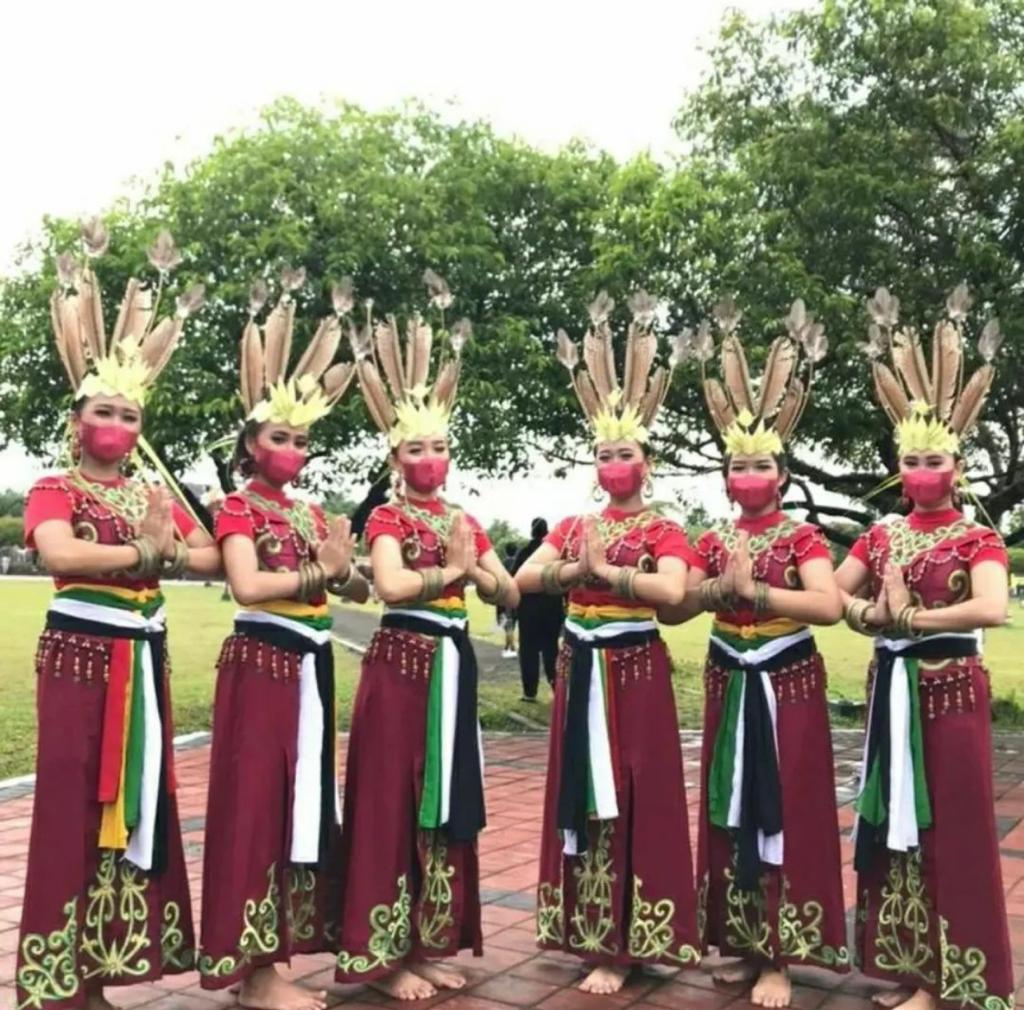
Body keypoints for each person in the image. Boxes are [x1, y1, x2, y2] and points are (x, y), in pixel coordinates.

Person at [15, 227, 219, 1010]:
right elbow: (59, 554)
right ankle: (58, 981)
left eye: (131, 415)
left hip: (144, 655)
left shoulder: (150, 494)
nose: (119, 426)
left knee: (134, 802)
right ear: (77, 419)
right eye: (105, 411)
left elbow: (205, 558)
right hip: (80, 656)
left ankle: (100, 975)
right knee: (74, 804)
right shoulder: (52, 486)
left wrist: (156, 551)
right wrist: (146, 553)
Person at [334, 280, 520, 1000]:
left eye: (441, 446)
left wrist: (482, 574)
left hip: (451, 665)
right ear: (395, 454)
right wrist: (451, 568)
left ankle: (428, 939)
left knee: (444, 802)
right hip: (404, 663)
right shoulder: (387, 518)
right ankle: (385, 956)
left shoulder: (463, 517)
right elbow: (390, 586)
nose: (432, 458)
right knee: (393, 798)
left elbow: (506, 588)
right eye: (419, 447)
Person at [661, 298, 846, 1008]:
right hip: (726, 680)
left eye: (761, 464)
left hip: (785, 684)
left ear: (784, 473)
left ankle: (783, 956)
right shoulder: (712, 537)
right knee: (728, 809)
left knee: (785, 808)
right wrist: (715, 590)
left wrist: (758, 596)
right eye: (738, 465)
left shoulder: (800, 538)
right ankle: (742, 941)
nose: (749, 476)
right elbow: (674, 605)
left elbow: (827, 606)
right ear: (724, 477)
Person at [516, 291, 699, 995]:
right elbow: (526, 577)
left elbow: (673, 593)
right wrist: (574, 569)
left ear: (645, 460)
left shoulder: (663, 528)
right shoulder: (571, 522)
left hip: (635, 671)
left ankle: (634, 936)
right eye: (602, 454)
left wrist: (608, 575)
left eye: (623, 453)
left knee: (636, 789)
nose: (613, 464)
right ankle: (594, 935)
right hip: (580, 667)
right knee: (583, 792)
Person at [835, 286, 1011, 1010]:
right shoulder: (882, 534)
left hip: (949, 692)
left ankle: (953, 981)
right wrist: (871, 611)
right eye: (909, 458)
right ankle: (910, 967)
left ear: (958, 462)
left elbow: (992, 608)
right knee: (893, 823)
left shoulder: (977, 536)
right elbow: (837, 599)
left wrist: (915, 621)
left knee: (952, 827)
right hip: (891, 690)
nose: (919, 470)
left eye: (933, 457)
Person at [197, 275, 369, 1010]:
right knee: (257, 805)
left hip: (310, 665)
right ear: (249, 442)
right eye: (279, 437)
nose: (292, 449)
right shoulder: (234, 506)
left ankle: (278, 956)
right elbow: (247, 586)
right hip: (263, 663)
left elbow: (348, 587)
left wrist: (347, 572)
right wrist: (315, 570)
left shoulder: (309, 512)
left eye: (301, 439)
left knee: (303, 806)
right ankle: (252, 970)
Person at [513, 518, 565, 700]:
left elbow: (514, 580)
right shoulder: (556, 553)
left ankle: (530, 692)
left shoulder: (525, 553)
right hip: (552, 608)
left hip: (528, 610)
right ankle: (556, 688)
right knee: (552, 650)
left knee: (528, 651)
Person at [500, 542, 519, 657]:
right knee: (514, 622)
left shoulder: (503, 563)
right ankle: (509, 646)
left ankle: (511, 647)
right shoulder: (518, 563)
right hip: (517, 595)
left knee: (508, 622)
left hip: (506, 596)